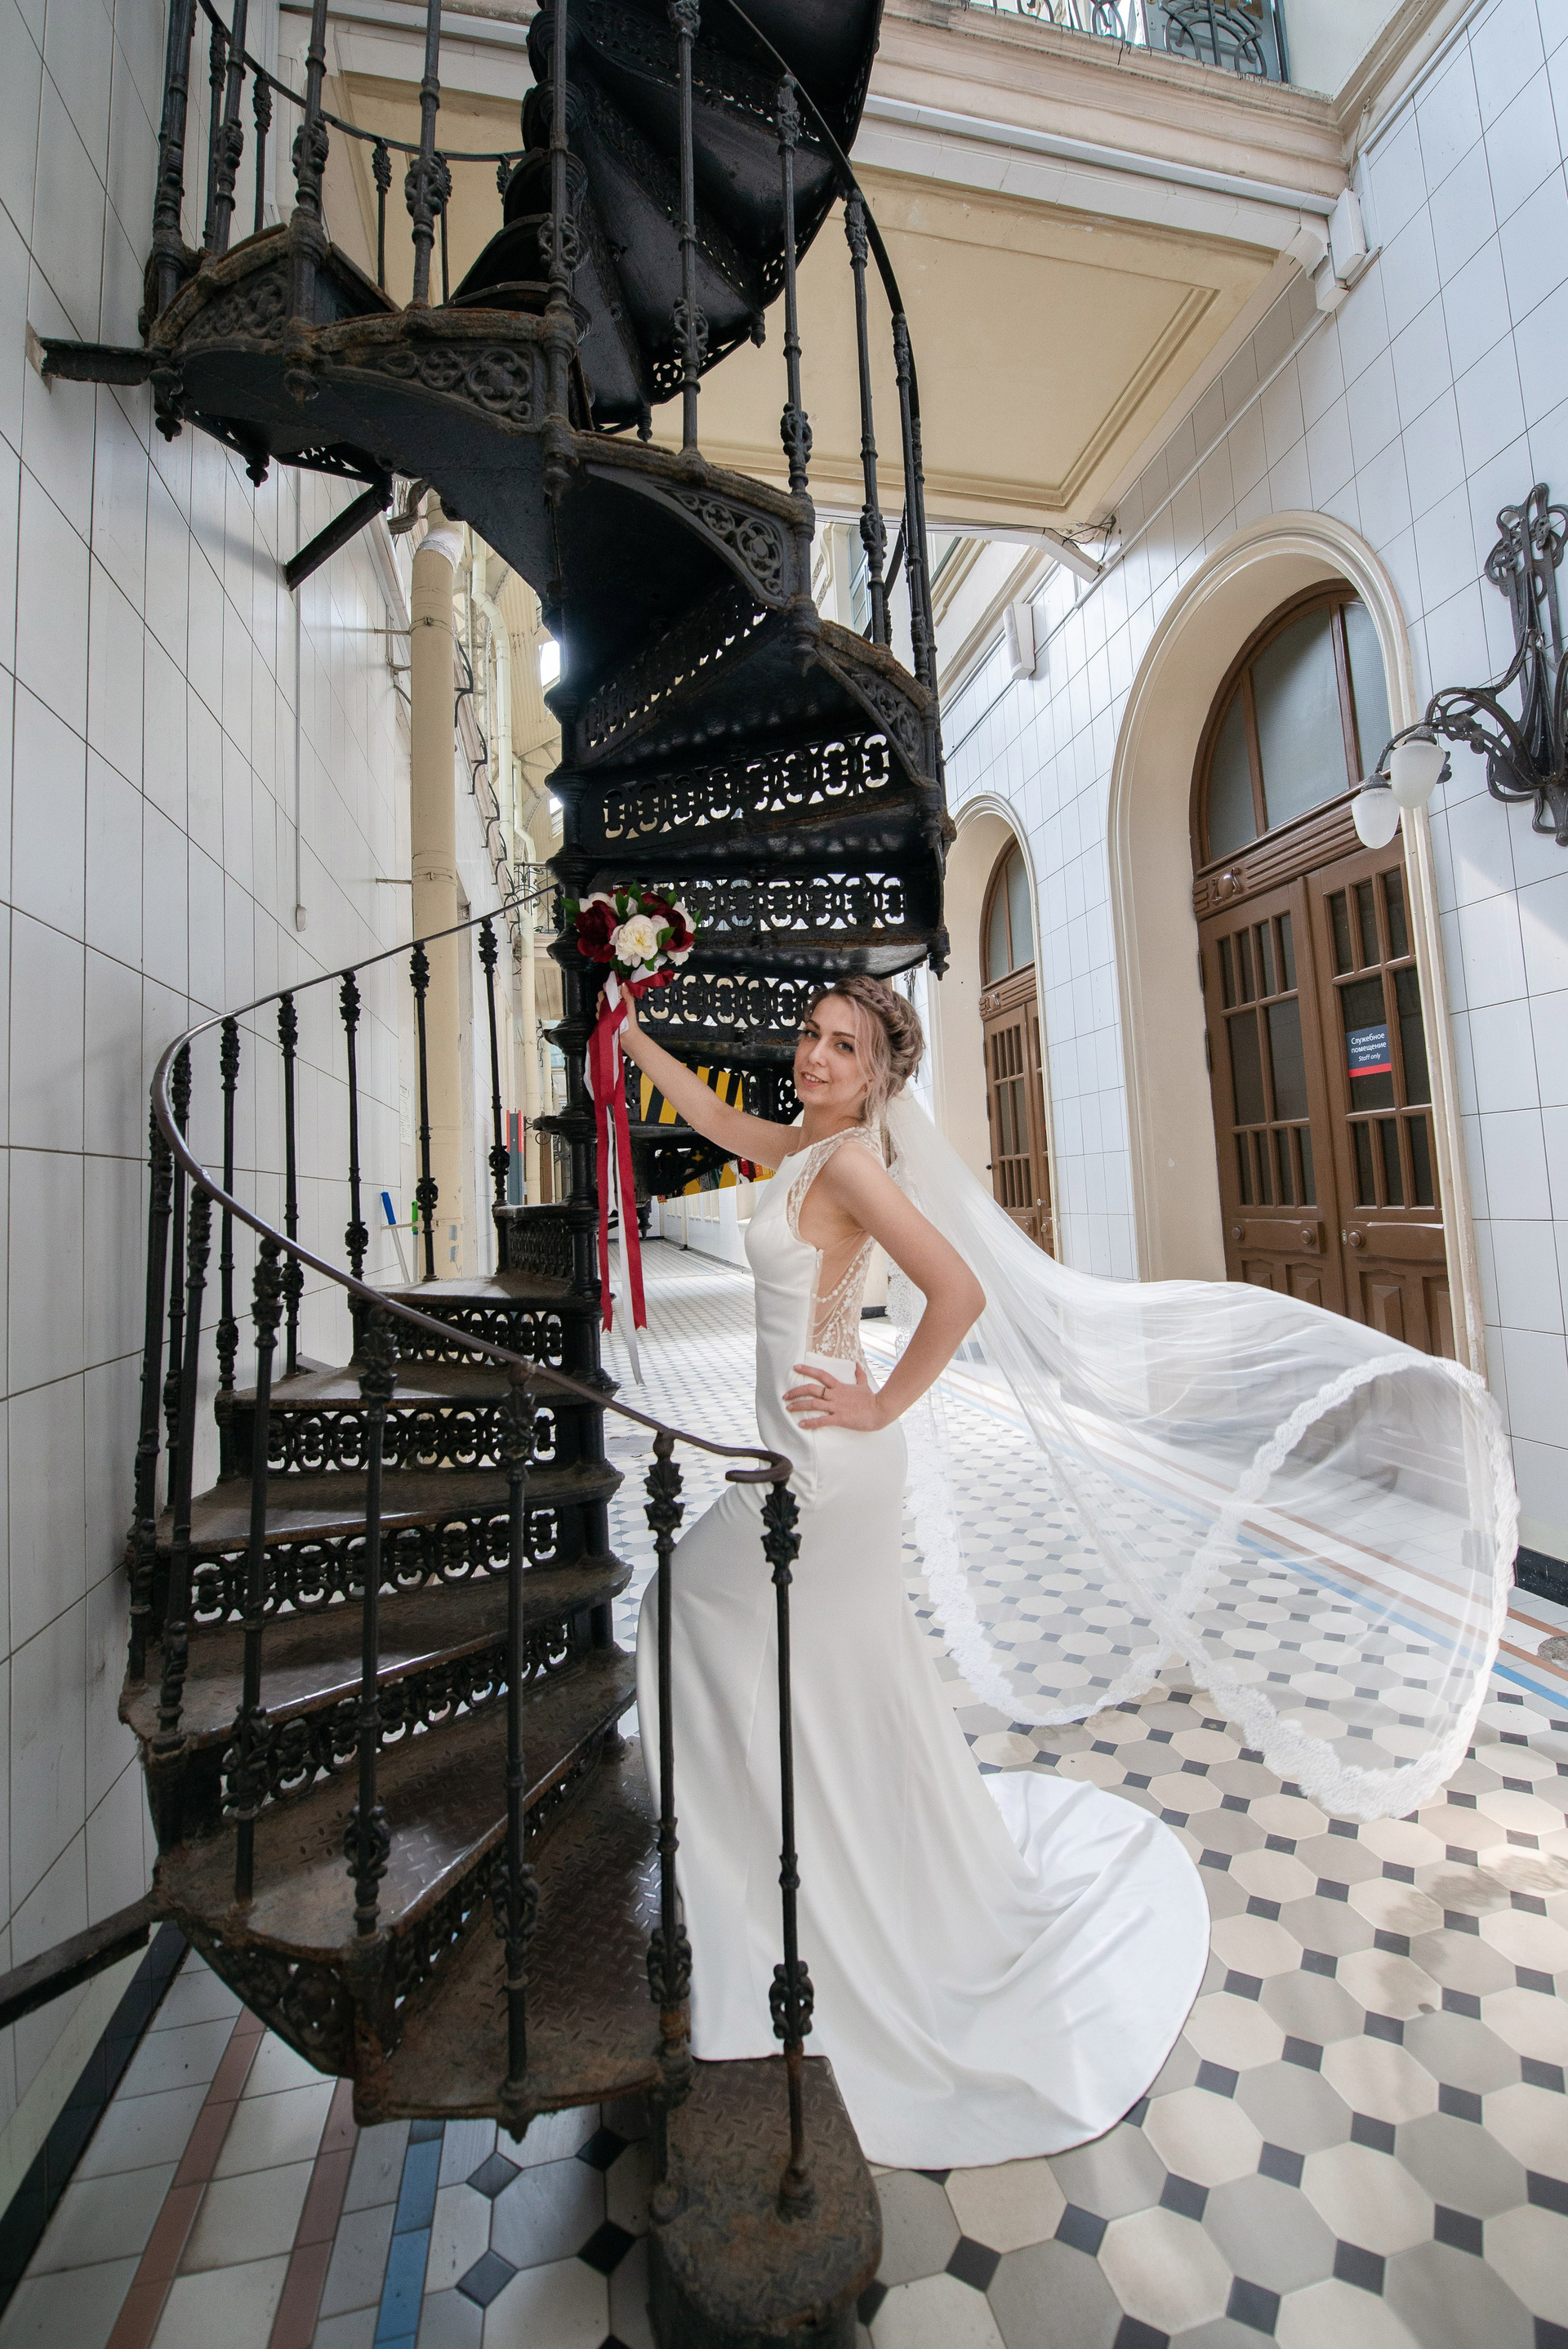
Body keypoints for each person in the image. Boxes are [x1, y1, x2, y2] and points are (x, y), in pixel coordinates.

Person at [616, 975, 1209, 2169]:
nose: (817, 1057)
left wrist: (881, 1401)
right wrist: (631, 1037)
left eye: (845, 1047)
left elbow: (959, 1290)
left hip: (826, 1470)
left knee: (685, 1606)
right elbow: (717, 1120)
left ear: (879, 1076)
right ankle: (786, 1852)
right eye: (809, 1035)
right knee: (823, 1674)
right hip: (805, 1462)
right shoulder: (801, 1149)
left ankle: (766, 1872)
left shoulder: (849, 1165)